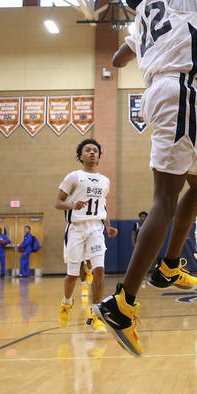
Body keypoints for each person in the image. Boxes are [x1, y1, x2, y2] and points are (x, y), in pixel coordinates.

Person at [94, 0, 197, 355]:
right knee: (163, 201)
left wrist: (129, 49)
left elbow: (118, 58)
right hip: (177, 92)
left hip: (165, 94)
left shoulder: (139, 21)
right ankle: (122, 303)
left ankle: (168, 266)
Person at [56, 139, 119, 333]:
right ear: (81, 156)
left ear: (99, 157)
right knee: (72, 275)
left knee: (99, 270)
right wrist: (72, 205)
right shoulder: (73, 177)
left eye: (95, 151)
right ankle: (66, 303)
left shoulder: (104, 181)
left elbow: (102, 207)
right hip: (75, 228)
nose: (92, 153)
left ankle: (95, 314)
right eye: (88, 150)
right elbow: (58, 203)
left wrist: (108, 226)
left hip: (95, 228)